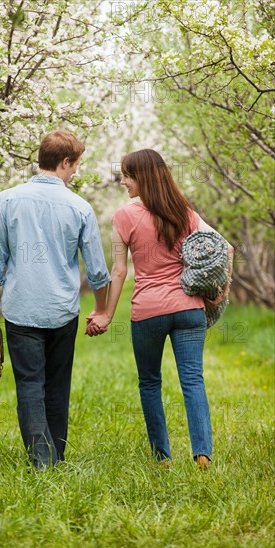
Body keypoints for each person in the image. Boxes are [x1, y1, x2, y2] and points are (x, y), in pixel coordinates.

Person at [0, 130, 111, 469]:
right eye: (75, 165)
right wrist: (101, 309)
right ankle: (55, 458)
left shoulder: (7, 199)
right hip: (62, 311)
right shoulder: (80, 207)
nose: (75, 171)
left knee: (30, 385)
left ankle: (42, 462)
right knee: (58, 386)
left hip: (21, 309)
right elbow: (98, 270)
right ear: (64, 162)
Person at [86, 148, 234, 469]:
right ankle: (202, 455)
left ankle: (162, 458)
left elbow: (120, 271)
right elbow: (227, 248)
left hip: (148, 311)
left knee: (150, 382)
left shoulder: (124, 216)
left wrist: (107, 315)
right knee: (193, 380)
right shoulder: (184, 211)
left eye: (127, 175)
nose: (124, 181)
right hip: (189, 307)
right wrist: (220, 294)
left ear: (142, 176)